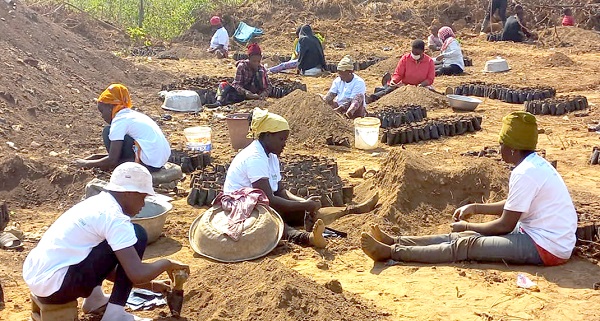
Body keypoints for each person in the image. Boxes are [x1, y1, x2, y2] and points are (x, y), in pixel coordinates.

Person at [361, 111, 577, 266]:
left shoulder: (525, 173)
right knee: (457, 238)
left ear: (511, 149)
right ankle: (396, 242)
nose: (499, 148)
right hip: (542, 237)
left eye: (501, 144)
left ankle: (390, 253)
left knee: (466, 244)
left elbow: (504, 224)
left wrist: (468, 228)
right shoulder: (533, 165)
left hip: (546, 248)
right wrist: (476, 208)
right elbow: (513, 206)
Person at [23, 162, 190, 321]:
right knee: (138, 234)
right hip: (57, 287)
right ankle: (115, 314)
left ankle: (95, 299)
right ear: (129, 193)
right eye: (142, 197)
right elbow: (136, 273)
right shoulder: (115, 218)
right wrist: (167, 263)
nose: (143, 204)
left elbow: (105, 268)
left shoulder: (97, 204)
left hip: (42, 280)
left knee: (109, 244)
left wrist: (151, 285)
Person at [223, 108, 378, 248]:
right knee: (271, 221)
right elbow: (268, 199)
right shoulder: (255, 157)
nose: (284, 144)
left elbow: (281, 191)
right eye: (281, 139)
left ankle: (350, 210)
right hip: (242, 205)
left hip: (262, 201)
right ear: (268, 135)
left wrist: (304, 203)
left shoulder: (271, 156)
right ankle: (306, 238)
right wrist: (304, 206)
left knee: (305, 213)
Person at [75, 84, 171, 172]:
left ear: (110, 107)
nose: (102, 116)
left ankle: (125, 168)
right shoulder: (131, 115)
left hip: (149, 165)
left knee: (107, 131)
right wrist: (95, 157)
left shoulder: (120, 120)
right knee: (121, 138)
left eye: (102, 111)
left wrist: (86, 164)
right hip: (157, 162)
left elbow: (112, 160)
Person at [369, 40, 435, 102]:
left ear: (423, 51)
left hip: (422, 87)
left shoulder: (429, 61)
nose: (414, 55)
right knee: (389, 90)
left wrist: (421, 85)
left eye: (417, 53)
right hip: (405, 86)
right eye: (413, 52)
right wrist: (394, 81)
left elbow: (430, 79)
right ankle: (372, 97)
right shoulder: (405, 58)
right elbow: (398, 74)